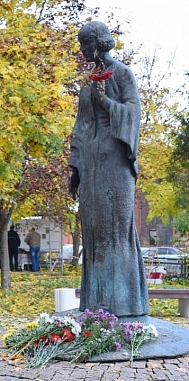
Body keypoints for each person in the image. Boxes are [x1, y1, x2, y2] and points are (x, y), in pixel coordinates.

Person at [69, 21, 148, 317]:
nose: (83, 50)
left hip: (117, 162)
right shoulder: (87, 88)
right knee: (94, 230)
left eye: (85, 44)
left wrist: (106, 101)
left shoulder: (124, 75)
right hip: (91, 166)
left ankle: (127, 305)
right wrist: (74, 169)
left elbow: (133, 113)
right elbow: (80, 127)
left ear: (99, 43)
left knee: (118, 229)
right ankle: (96, 304)